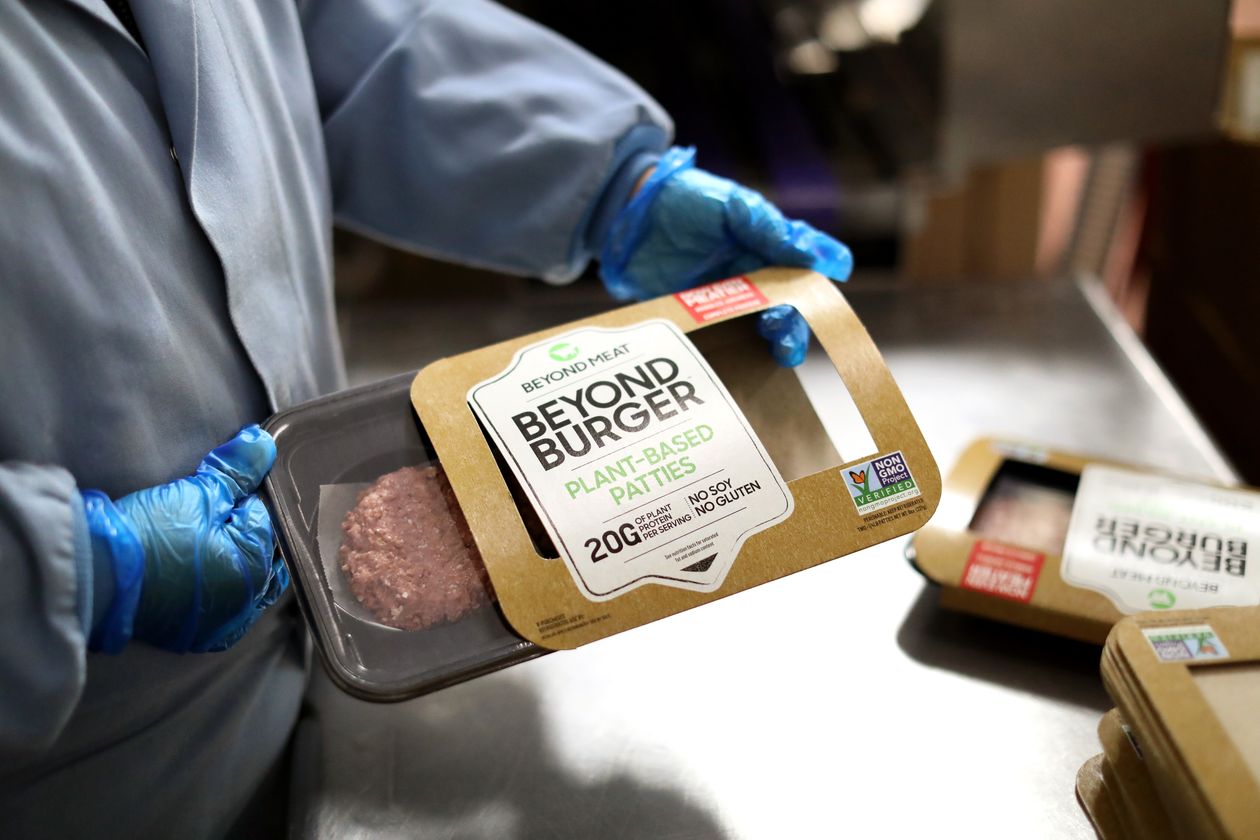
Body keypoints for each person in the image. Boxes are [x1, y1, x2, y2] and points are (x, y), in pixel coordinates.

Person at [0, 1, 851, 836]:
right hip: (86, 759)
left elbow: (328, 29)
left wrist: (605, 180)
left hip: (315, 680)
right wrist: (70, 571)